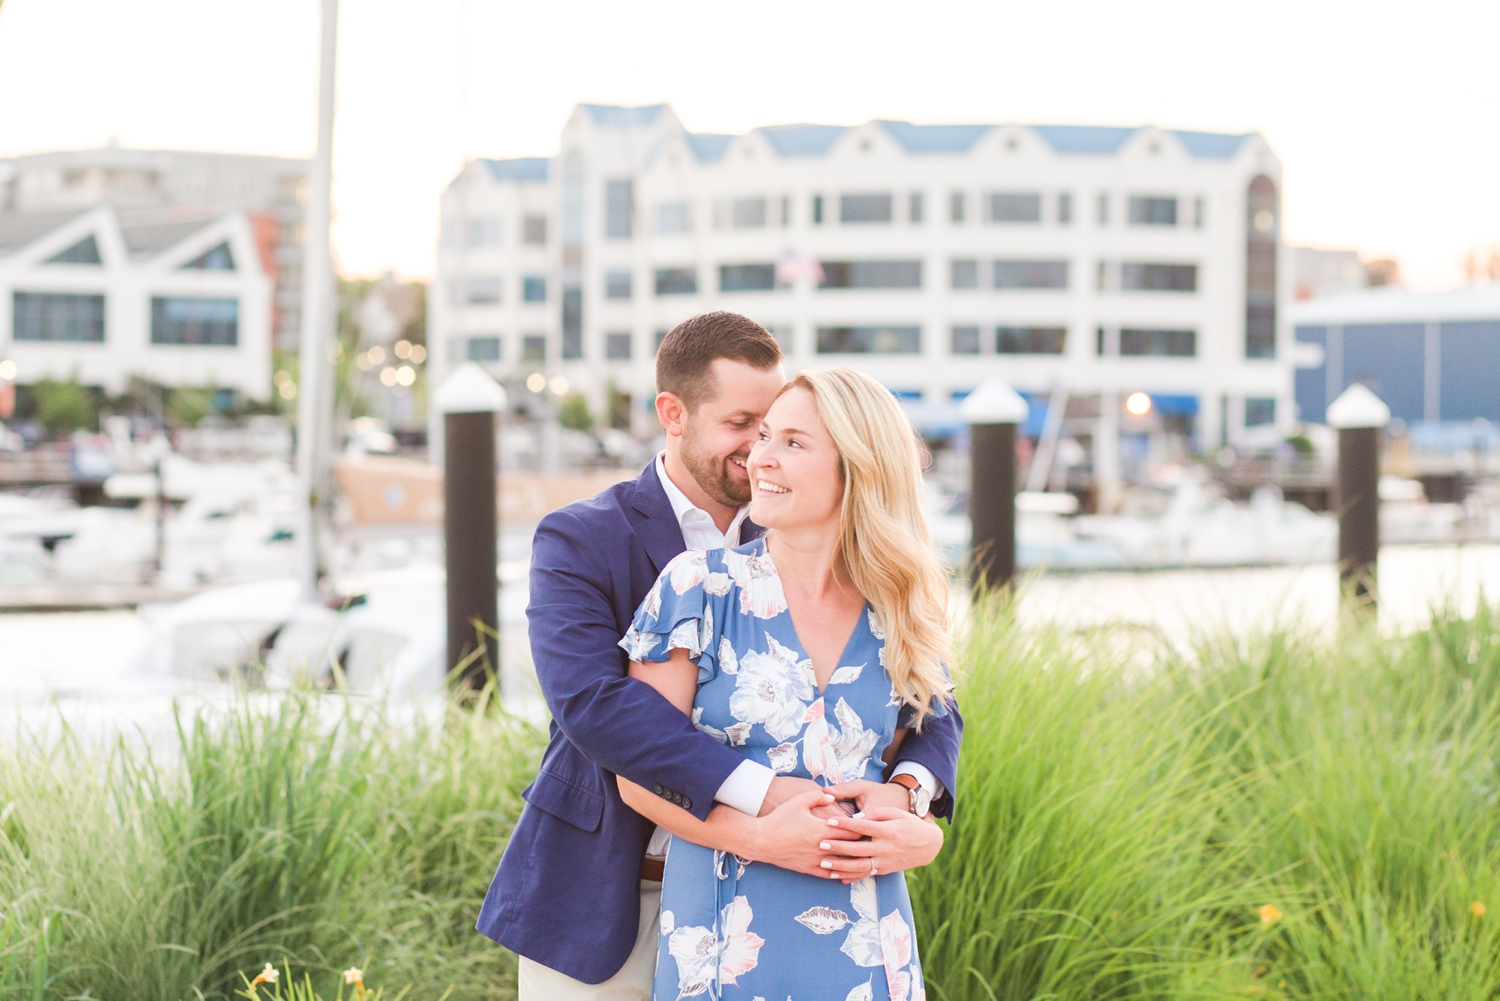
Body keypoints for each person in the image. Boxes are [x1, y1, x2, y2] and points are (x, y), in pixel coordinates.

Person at [476, 313, 963, 999]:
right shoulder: (587, 539)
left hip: (804, 910)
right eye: (746, 424)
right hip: (607, 893)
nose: (759, 449)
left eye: (781, 430)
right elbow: (596, 708)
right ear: (673, 414)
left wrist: (915, 807)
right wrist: (766, 811)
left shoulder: (839, 560)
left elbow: (929, 701)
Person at [618, 367, 952, 1000]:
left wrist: (919, 823)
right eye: (764, 434)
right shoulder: (699, 589)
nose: (760, 457)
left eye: (793, 443)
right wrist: (759, 838)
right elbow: (637, 773)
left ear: (858, 468)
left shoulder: (900, 607)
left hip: (870, 945)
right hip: (723, 942)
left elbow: (926, 742)